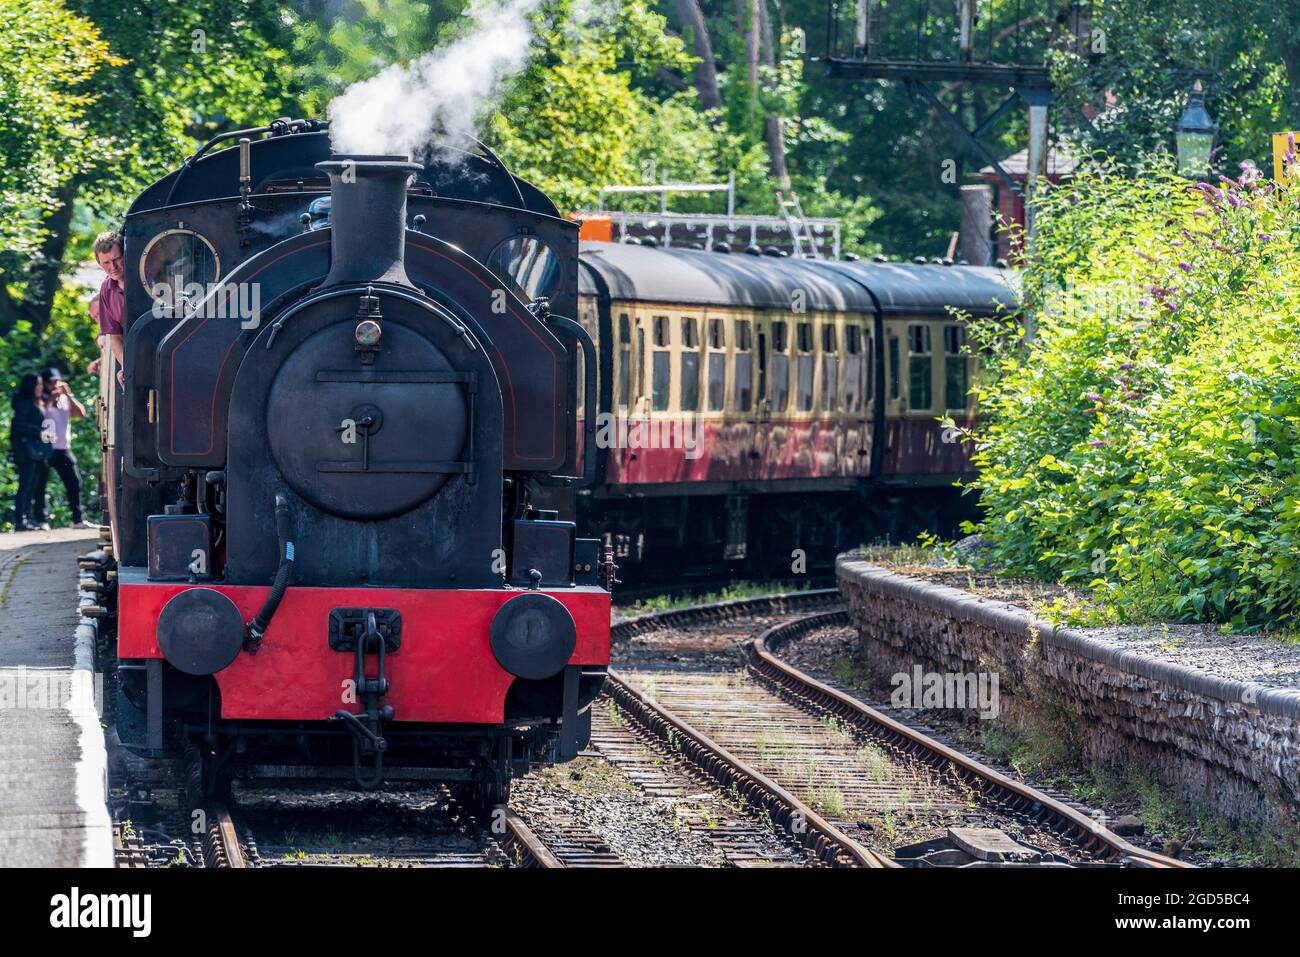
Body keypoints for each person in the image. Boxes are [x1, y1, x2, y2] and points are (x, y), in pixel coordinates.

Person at [31, 368, 93, 530]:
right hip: (45, 447)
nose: (55, 384)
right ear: (45, 383)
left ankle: (77, 519)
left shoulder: (65, 398)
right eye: (51, 382)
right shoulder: (39, 398)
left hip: (63, 447)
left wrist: (69, 395)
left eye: (56, 381)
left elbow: (81, 414)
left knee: (74, 482)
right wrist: (51, 399)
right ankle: (40, 520)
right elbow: (37, 416)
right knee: (40, 484)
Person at [9, 374, 50, 531]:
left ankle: (28, 518)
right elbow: (19, 425)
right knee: (25, 486)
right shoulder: (24, 402)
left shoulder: (34, 401)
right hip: (25, 451)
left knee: (32, 486)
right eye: (38, 384)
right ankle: (21, 520)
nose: (41, 387)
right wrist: (39, 432)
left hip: (34, 451)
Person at [93, 231, 126, 388]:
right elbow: (115, 336)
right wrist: (127, 367)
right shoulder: (106, 289)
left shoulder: (147, 276)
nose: (113, 267)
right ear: (99, 263)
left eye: (117, 259)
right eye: (106, 262)